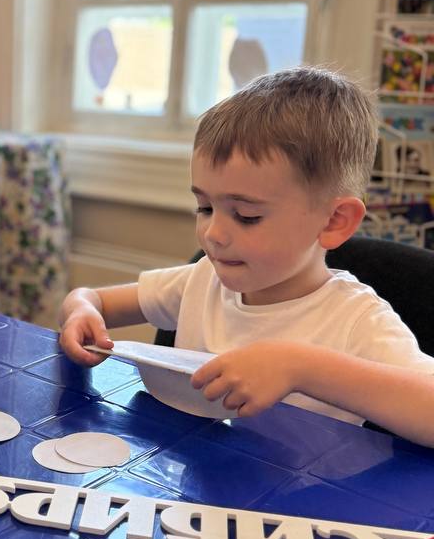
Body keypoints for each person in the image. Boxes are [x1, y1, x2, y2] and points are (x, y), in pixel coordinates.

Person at [59, 67, 434, 445]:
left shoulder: (356, 320)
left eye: (246, 216)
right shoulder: (202, 280)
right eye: (205, 207)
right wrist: (80, 311)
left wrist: (302, 367)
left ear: (334, 221)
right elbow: (92, 300)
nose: (213, 233)